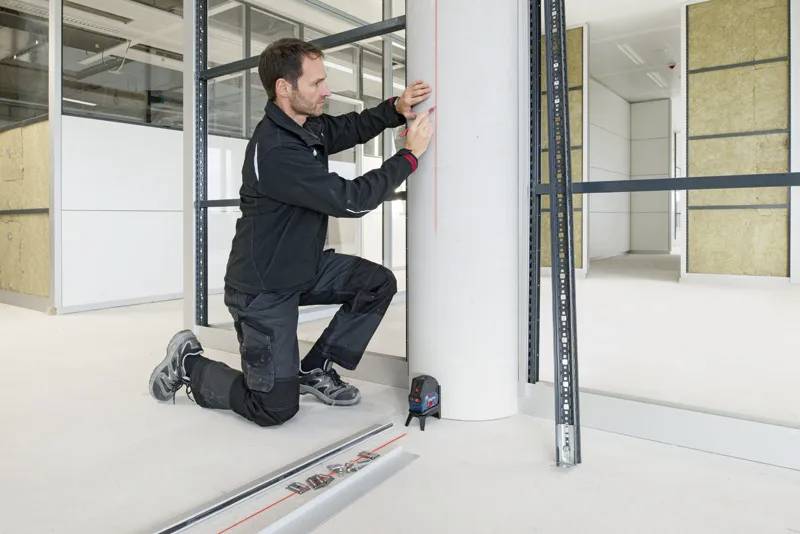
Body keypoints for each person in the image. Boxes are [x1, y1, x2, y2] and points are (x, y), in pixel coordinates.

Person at [148, 37, 433, 427]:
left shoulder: (304, 126)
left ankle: (313, 369)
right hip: (262, 290)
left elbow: (348, 128)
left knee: (376, 284)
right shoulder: (277, 151)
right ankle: (189, 364)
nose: (326, 90)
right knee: (275, 408)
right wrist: (408, 156)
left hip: (302, 267)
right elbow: (351, 201)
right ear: (284, 88)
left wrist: (394, 109)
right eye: (316, 83)